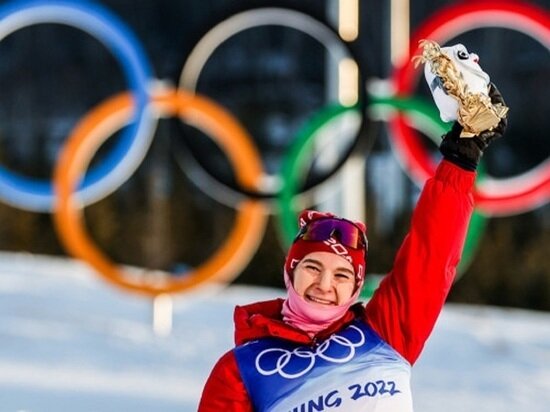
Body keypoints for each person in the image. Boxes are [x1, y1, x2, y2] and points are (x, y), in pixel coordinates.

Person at [197, 83, 507, 412]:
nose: (324, 285)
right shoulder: (242, 368)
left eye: (342, 275)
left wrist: (462, 158)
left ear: (357, 286)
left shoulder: (386, 331)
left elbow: (432, 255)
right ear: (291, 270)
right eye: (313, 268)